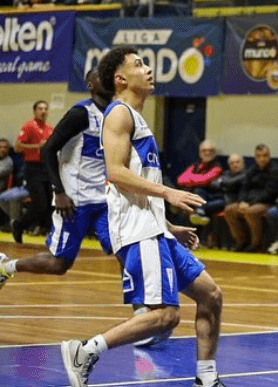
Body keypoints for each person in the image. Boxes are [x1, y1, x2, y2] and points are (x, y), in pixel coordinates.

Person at [60, 47, 224, 387]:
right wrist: (168, 193)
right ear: (121, 79)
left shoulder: (137, 116)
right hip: (137, 232)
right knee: (165, 316)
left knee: (211, 295)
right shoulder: (119, 114)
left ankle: (206, 379)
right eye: (139, 64)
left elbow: (137, 183)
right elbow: (116, 173)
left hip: (153, 228)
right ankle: (86, 350)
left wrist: (168, 225)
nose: (148, 69)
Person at [0, 71, 112, 289]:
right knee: (59, 264)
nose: (106, 79)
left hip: (103, 201)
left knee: (124, 249)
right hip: (74, 201)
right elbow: (48, 149)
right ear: (89, 84)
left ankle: (145, 308)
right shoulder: (81, 113)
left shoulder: (114, 114)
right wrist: (59, 191)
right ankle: (6, 267)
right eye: (101, 76)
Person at [223, 144, 278, 252]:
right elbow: (244, 187)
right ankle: (241, 241)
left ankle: (256, 243)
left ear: (269, 156)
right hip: (250, 201)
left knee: (251, 212)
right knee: (229, 209)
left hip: (267, 202)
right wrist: (242, 201)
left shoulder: (275, 170)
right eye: (259, 156)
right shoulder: (252, 169)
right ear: (255, 157)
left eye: (265, 156)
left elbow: (270, 193)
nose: (262, 159)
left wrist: (249, 203)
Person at [13, 100, 54, 242]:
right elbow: (17, 147)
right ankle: (19, 225)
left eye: (45, 109)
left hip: (46, 168)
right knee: (40, 204)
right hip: (32, 168)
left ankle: (52, 236)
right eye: (40, 108)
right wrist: (37, 146)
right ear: (35, 111)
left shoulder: (50, 129)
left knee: (50, 204)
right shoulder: (29, 126)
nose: (43, 111)